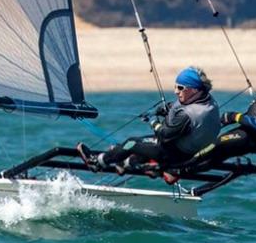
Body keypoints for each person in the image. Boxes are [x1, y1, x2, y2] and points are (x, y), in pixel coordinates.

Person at [77, 66, 220, 174]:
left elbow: (164, 134)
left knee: (131, 143)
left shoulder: (186, 115)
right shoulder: (208, 102)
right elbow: (188, 120)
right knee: (144, 143)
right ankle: (127, 163)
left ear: (194, 90)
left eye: (180, 88)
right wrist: (169, 109)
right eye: (175, 86)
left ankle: (97, 162)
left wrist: (152, 121)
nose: (176, 91)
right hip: (188, 151)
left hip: (174, 156)